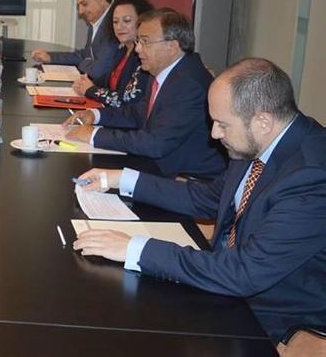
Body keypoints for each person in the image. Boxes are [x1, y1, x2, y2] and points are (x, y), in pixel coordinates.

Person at [73, 58, 326, 343]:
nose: (214, 134)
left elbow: (245, 273)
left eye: (222, 124)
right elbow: (210, 198)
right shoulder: (259, 142)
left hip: (268, 321)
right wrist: (121, 179)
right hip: (222, 282)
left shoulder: (312, 177)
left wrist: (134, 248)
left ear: (263, 121)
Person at [63, 8, 226, 179]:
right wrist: (95, 115)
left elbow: (155, 143)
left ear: (172, 46)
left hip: (186, 179)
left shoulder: (188, 84)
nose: (137, 49)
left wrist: (94, 134)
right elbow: (138, 113)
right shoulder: (164, 71)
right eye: (138, 41)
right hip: (160, 165)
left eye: (145, 42)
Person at [30, 0, 119, 82]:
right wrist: (50, 57)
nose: (80, 11)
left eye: (84, 4)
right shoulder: (96, 21)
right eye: (79, 6)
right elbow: (85, 55)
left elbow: (98, 72)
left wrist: (83, 63)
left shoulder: (115, 25)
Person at [72, 0, 154, 107]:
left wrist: (91, 90)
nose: (119, 27)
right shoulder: (121, 50)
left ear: (142, 22)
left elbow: (127, 100)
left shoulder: (144, 57)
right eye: (115, 22)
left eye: (126, 20)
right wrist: (84, 83)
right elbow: (104, 82)